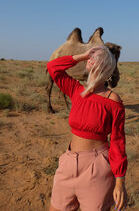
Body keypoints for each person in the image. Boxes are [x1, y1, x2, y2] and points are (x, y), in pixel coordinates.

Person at [47, 45, 128, 211]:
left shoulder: (113, 101)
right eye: (89, 56)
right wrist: (80, 56)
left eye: (93, 57)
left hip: (97, 168)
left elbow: (118, 141)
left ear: (104, 65)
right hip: (68, 162)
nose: (89, 59)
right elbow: (52, 67)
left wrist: (120, 181)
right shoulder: (77, 90)